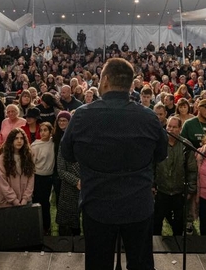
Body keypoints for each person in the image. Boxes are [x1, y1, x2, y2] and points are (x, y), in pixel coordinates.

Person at [61, 58, 167, 270]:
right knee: (141, 265)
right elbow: (161, 154)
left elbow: (67, 154)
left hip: (97, 206)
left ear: (106, 80)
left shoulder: (82, 115)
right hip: (138, 205)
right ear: (130, 84)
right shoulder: (148, 117)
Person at [153, 115, 197, 236]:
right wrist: (152, 185)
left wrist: (191, 189)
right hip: (160, 191)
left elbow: (192, 170)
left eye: (174, 127)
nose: (171, 130)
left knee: (178, 224)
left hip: (179, 192)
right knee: (156, 223)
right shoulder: (158, 143)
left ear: (180, 128)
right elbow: (151, 166)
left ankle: (176, 250)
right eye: (169, 127)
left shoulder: (186, 145)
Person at [0, 128, 35, 207]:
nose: (19, 141)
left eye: (21, 138)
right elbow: (2, 183)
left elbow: (31, 178)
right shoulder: (3, 158)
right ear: (11, 140)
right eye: (16, 138)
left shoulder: (28, 156)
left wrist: (25, 199)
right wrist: (14, 200)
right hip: (8, 203)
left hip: (25, 201)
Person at [31, 122, 55, 234]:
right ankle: (36, 225)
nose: (43, 132)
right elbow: (31, 163)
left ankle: (46, 226)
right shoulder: (35, 145)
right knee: (36, 201)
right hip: (37, 177)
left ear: (51, 132)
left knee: (46, 203)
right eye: (41, 130)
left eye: (45, 130)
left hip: (49, 177)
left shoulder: (53, 144)